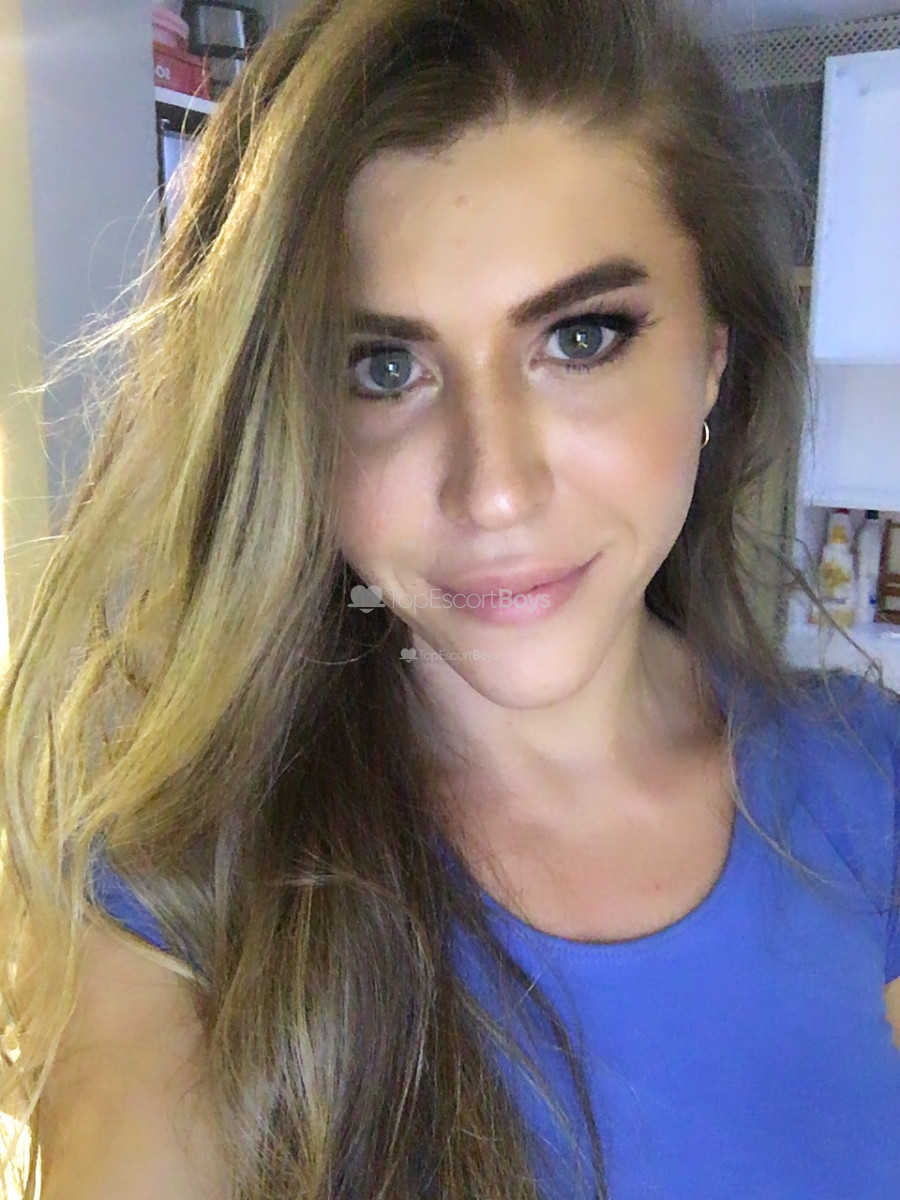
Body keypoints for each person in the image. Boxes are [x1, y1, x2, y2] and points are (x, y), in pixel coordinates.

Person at [1, 0, 898, 1197]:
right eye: (385, 369)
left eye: (582, 340)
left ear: (713, 362)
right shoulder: (183, 889)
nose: (496, 491)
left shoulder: (867, 779)